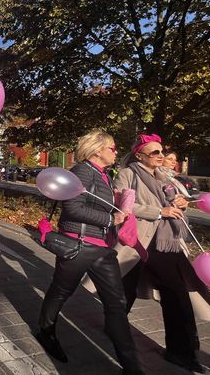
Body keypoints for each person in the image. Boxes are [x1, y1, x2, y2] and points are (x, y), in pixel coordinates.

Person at [35, 130, 143, 374]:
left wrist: (116, 202)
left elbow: (93, 202)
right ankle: (45, 330)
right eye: (112, 148)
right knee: (61, 292)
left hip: (102, 248)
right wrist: (110, 218)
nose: (116, 151)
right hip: (79, 246)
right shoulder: (82, 171)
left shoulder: (103, 174)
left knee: (116, 303)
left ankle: (131, 366)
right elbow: (73, 208)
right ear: (97, 150)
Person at [116, 134, 210, 373]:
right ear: (139, 154)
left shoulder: (164, 176)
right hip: (141, 241)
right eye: (155, 153)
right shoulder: (129, 174)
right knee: (142, 292)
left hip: (168, 242)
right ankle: (118, 329)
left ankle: (181, 352)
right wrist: (160, 211)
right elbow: (123, 205)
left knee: (169, 294)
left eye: (162, 152)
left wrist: (181, 202)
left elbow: (176, 199)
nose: (161, 156)